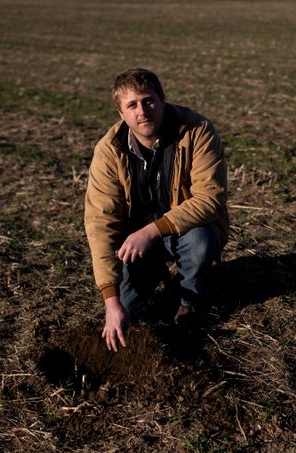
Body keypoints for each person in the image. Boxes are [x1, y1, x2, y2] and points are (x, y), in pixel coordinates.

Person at [84, 67, 229, 351]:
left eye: (149, 101)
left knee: (201, 241)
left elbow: (210, 198)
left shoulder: (197, 131)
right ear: (121, 113)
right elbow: (100, 224)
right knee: (127, 311)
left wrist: (151, 231)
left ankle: (190, 301)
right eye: (132, 105)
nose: (142, 111)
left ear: (162, 100)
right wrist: (111, 301)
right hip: (135, 244)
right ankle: (152, 274)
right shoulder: (109, 151)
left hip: (181, 233)